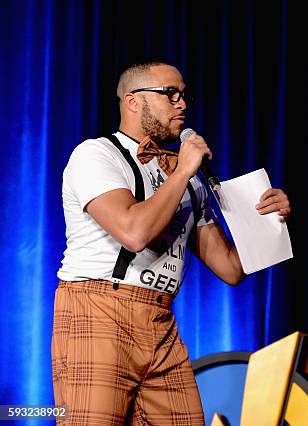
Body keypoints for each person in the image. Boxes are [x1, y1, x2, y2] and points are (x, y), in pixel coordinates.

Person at [52, 61, 291, 425]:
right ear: (133, 101)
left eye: (184, 96)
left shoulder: (188, 180)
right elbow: (134, 233)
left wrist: (268, 222)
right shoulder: (96, 155)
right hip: (100, 309)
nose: (182, 104)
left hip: (160, 319)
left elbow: (229, 268)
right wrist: (182, 172)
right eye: (170, 95)